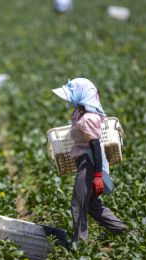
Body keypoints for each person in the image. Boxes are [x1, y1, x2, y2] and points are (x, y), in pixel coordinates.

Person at [52, 78, 128, 242]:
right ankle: (125, 232)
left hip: (89, 163)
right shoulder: (80, 113)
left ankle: (80, 244)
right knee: (93, 205)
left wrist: (98, 176)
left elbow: (95, 147)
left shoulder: (88, 118)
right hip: (85, 162)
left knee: (78, 204)